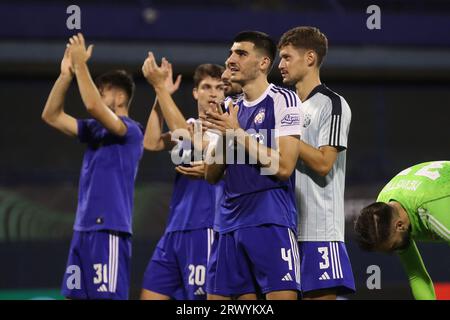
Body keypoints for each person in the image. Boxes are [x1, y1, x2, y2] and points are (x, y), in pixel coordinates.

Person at [41, 33, 143, 299]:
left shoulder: (131, 131)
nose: (98, 94)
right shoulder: (94, 130)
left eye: (104, 90)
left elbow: (92, 105)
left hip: (109, 228)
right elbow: (51, 116)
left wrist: (81, 65)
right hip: (83, 229)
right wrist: (66, 75)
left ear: (120, 97)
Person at [203, 31, 302, 300]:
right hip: (227, 224)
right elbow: (211, 174)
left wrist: (237, 133)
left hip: (269, 219)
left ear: (263, 63)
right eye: (231, 53)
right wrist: (225, 136)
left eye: (241, 53)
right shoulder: (228, 107)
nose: (231, 59)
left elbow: (284, 167)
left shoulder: (284, 100)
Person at [277, 26, 355, 299]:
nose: (280, 65)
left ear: (310, 58)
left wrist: (286, 139)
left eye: (287, 57)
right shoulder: (281, 106)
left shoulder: (331, 104)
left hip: (318, 231)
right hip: (282, 227)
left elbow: (324, 163)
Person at [140, 56, 226, 300]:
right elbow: (151, 142)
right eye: (207, 87)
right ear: (195, 93)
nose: (214, 94)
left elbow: (191, 138)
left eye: (220, 88)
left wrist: (159, 87)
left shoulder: (226, 131)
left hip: (205, 227)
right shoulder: (187, 124)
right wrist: (160, 95)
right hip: (174, 229)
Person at [354, 161, 450, 300]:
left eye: (393, 247)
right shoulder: (384, 212)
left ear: (399, 225)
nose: (394, 252)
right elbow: (416, 274)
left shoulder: (433, 212)